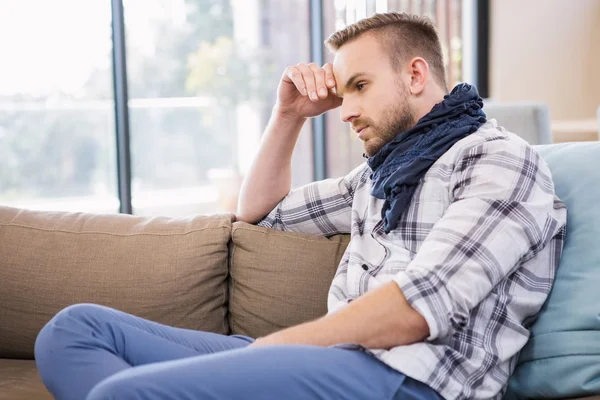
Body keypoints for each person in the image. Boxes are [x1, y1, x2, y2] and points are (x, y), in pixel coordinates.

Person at [34, 12, 567, 400]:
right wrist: (288, 114)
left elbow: (416, 309)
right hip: (332, 362)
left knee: (118, 395)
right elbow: (259, 211)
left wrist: (271, 351)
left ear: (415, 75)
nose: (346, 110)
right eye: (342, 92)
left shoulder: (498, 161)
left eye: (360, 86)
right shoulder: (378, 177)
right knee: (74, 330)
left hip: (410, 380)